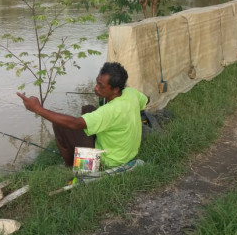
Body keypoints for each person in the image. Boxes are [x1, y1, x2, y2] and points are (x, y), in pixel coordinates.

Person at [16, 62, 148, 168]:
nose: (96, 88)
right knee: (88, 108)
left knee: (60, 125)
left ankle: (73, 167)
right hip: (129, 153)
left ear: (115, 89)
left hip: (109, 161)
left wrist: (38, 109)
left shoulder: (110, 111)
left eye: (101, 86)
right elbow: (146, 100)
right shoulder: (131, 93)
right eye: (97, 82)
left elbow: (75, 123)